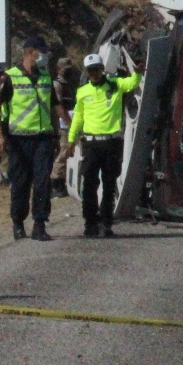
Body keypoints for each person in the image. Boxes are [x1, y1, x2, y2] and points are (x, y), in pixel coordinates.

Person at [0, 36, 66, 241]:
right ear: (31, 52)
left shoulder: (45, 77)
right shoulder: (10, 77)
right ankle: (18, 223)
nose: (45, 56)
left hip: (43, 138)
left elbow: (55, 104)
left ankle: (39, 224)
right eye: (42, 52)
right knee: (21, 183)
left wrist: (69, 129)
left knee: (42, 181)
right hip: (19, 140)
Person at [67, 52, 142, 238]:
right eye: (90, 71)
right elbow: (78, 117)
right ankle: (90, 222)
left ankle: (107, 222)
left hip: (111, 142)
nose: (94, 74)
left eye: (96, 70)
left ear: (102, 69)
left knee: (109, 185)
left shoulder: (115, 84)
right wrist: (71, 139)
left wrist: (138, 73)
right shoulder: (83, 91)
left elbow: (132, 83)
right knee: (89, 185)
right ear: (87, 71)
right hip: (91, 144)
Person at [50, 58, 79, 197]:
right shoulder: (57, 85)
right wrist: (69, 122)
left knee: (70, 151)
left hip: (72, 122)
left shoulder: (70, 84)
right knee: (63, 152)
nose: (68, 71)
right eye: (64, 69)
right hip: (64, 125)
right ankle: (56, 182)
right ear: (58, 69)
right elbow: (59, 107)